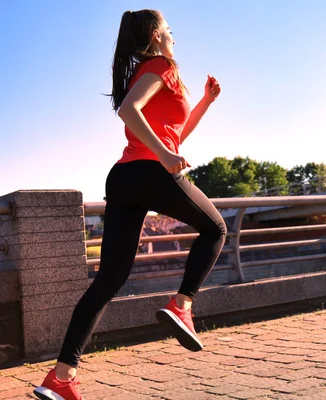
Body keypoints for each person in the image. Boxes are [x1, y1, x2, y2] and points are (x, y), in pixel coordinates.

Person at [34, 9, 226, 400]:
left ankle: (60, 377)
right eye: (170, 29)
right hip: (148, 171)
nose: (175, 36)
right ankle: (182, 303)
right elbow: (129, 112)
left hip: (124, 177)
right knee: (216, 228)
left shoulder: (151, 70)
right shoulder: (162, 64)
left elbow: (172, 136)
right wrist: (164, 156)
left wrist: (204, 102)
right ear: (156, 35)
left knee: (109, 280)